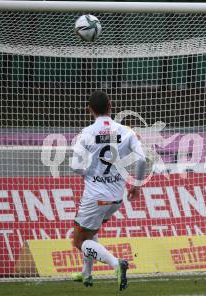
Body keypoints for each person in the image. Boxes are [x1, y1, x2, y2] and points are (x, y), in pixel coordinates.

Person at [70, 90, 146, 290]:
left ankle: (116, 264)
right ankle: (86, 274)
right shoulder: (127, 131)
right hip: (115, 198)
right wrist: (136, 186)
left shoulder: (86, 133)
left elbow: (74, 165)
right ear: (111, 107)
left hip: (95, 196)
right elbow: (142, 159)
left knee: (79, 241)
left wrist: (88, 172)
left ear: (90, 110)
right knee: (91, 230)